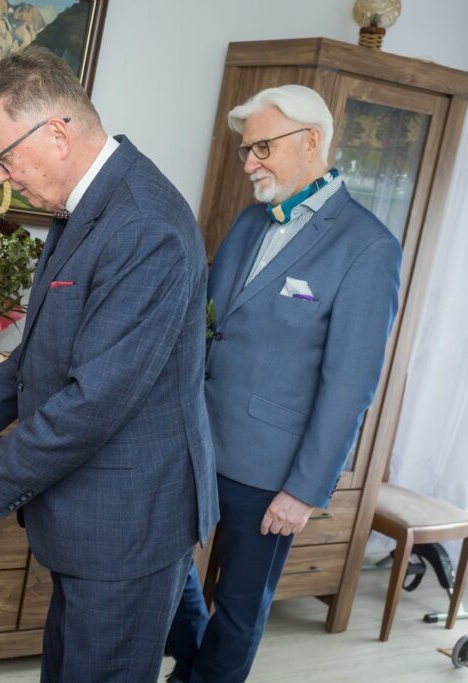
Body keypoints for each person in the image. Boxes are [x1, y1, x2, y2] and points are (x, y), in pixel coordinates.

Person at [0, 45, 218, 682]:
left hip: (127, 518)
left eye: (3, 157)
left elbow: (93, 400)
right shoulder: (88, 203)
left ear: (56, 133)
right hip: (89, 513)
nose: (1, 176)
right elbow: (49, 350)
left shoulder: (144, 224)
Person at [166, 84, 402, 682]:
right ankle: (193, 665)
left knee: (241, 608)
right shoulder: (247, 221)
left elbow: (350, 383)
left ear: (311, 141)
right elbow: (209, 326)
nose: (249, 164)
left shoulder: (368, 246)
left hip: (274, 470)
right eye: (246, 150)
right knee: (163, 568)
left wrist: (305, 489)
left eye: (261, 147)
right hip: (196, 437)